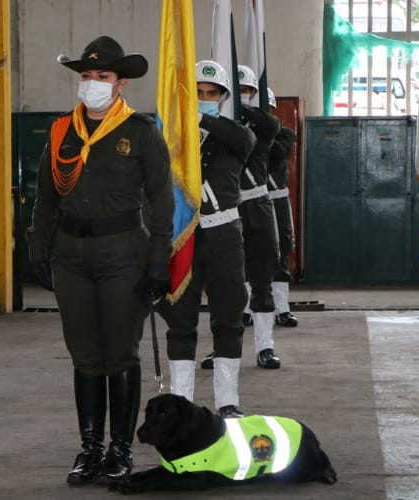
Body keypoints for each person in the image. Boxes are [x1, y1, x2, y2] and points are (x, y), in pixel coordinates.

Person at [26, 35, 174, 485]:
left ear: (120, 83)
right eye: (87, 76)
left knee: (118, 354)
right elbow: (46, 198)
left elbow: (162, 200)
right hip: (71, 255)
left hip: (123, 251)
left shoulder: (141, 132)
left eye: (102, 77)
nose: (93, 83)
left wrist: (157, 261)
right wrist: (38, 246)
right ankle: (90, 449)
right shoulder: (60, 131)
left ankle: (120, 450)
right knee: (85, 355)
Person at [158, 60, 255, 419]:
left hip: (224, 237)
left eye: (211, 94)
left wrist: (198, 118)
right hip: (183, 237)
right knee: (180, 321)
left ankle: (227, 401)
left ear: (223, 98)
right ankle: (181, 401)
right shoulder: (170, 137)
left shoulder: (237, 134)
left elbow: (241, 139)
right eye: (197, 94)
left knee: (228, 319)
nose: (204, 98)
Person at [236, 65, 282, 369]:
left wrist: (240, 107)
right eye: (236, 91)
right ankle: (223, 346)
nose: (241, 96)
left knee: (262, 279)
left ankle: (265, 346)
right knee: (225, 285)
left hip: (257, 208)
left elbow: (272, 126)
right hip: (222, 211)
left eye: (246, 91)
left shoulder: (261, 126)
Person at [266, 88, 299, 328]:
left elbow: (277, 153)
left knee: (281, 252)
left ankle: (282, 309)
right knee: (248, 255)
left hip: (276, 201)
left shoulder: (284, 134)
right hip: (248, 200)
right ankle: (247, 308)